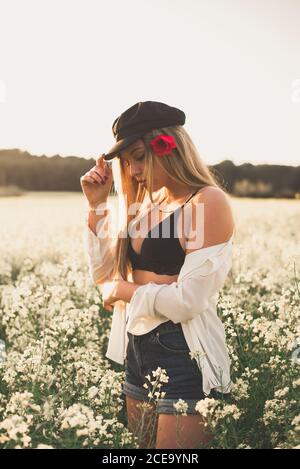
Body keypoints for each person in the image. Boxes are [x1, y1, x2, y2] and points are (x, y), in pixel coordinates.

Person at [80, 101, 235, 449]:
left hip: (184, 351)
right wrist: (97, 205)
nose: (133, 170)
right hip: (137, 347)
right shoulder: (148, 205)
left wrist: (125, 289)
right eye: (127, 161)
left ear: (170, 148)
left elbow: (187, 302)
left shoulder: (208, 201)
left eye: (138, 156)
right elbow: (103, 275)